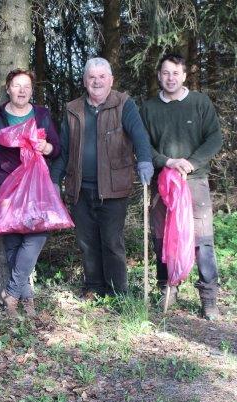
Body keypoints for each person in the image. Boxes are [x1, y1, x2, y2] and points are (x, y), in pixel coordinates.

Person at [50, 57, 154, 298]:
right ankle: (94, 287)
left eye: (101, 77)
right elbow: (64, 150)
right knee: (87, 242)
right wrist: (55, 179)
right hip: (80, 188)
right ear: (85, 81)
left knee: (111, 241)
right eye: (91, 77)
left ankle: (118, 291)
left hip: (113, 187)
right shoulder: (73, 109)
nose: (97, 81)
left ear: (111, 80)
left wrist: (145, 160)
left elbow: (139, 135)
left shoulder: (123, 104)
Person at [140, 53, 223, 320]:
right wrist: (167, 161)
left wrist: (191, 162)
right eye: (165, 73)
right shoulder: (149, 109)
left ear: (184, 75)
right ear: (159, 76)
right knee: (163, 238)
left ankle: (209, 298)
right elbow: (143, 146)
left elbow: (214, 138)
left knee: (202, 241)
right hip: (162, 183)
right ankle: (167, 289)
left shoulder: (200, 103)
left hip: (194, 181)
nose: (170, 78)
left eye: (176, 73)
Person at [0, 69, 61, 318]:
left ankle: (11, 292)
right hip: (5, 189)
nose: (22, 90)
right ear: (8, 88)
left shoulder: (42, 115)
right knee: (13, 244)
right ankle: (26, 301)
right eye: (17, 85)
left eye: (26, 86)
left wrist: (45, 146)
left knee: (37, 236)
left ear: (32, 90)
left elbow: (57, 149)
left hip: (36, 190)